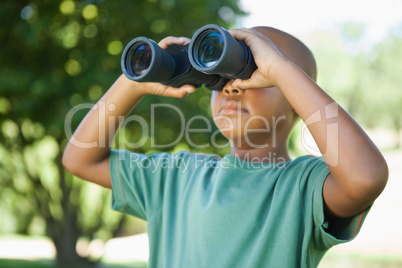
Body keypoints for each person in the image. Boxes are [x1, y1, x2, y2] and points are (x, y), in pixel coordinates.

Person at [62, 25, 388, 267]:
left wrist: (281, 70)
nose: (232, 88)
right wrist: (133, 83)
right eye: (220, 77)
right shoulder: (175, 176)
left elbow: (365, 177)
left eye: (254, 73)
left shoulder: (304, 187)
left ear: (297, 99)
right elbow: (79, 159)